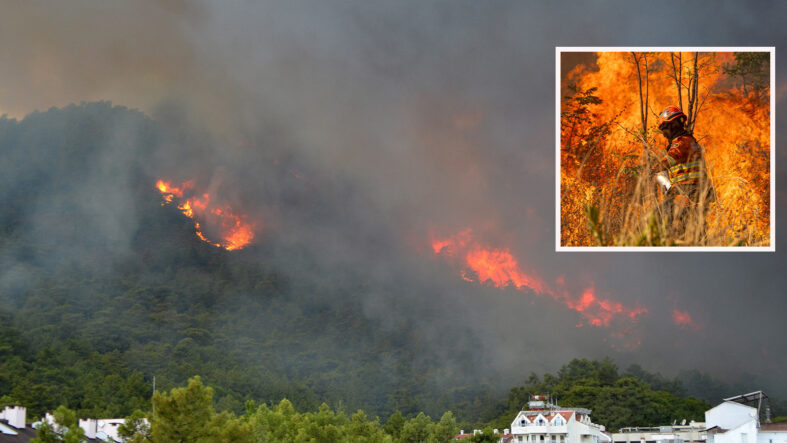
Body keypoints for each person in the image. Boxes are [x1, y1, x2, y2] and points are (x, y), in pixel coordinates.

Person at [652, 105, 714, 241]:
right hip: (694, 191)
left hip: (690, 191)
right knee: (693, 230)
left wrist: (651, 169)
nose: (663, 133)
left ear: (673, 126)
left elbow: (668, 161)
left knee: (659, 216)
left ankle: (666, 248)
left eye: (664, 128)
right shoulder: (690, 141)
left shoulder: (682, 143)